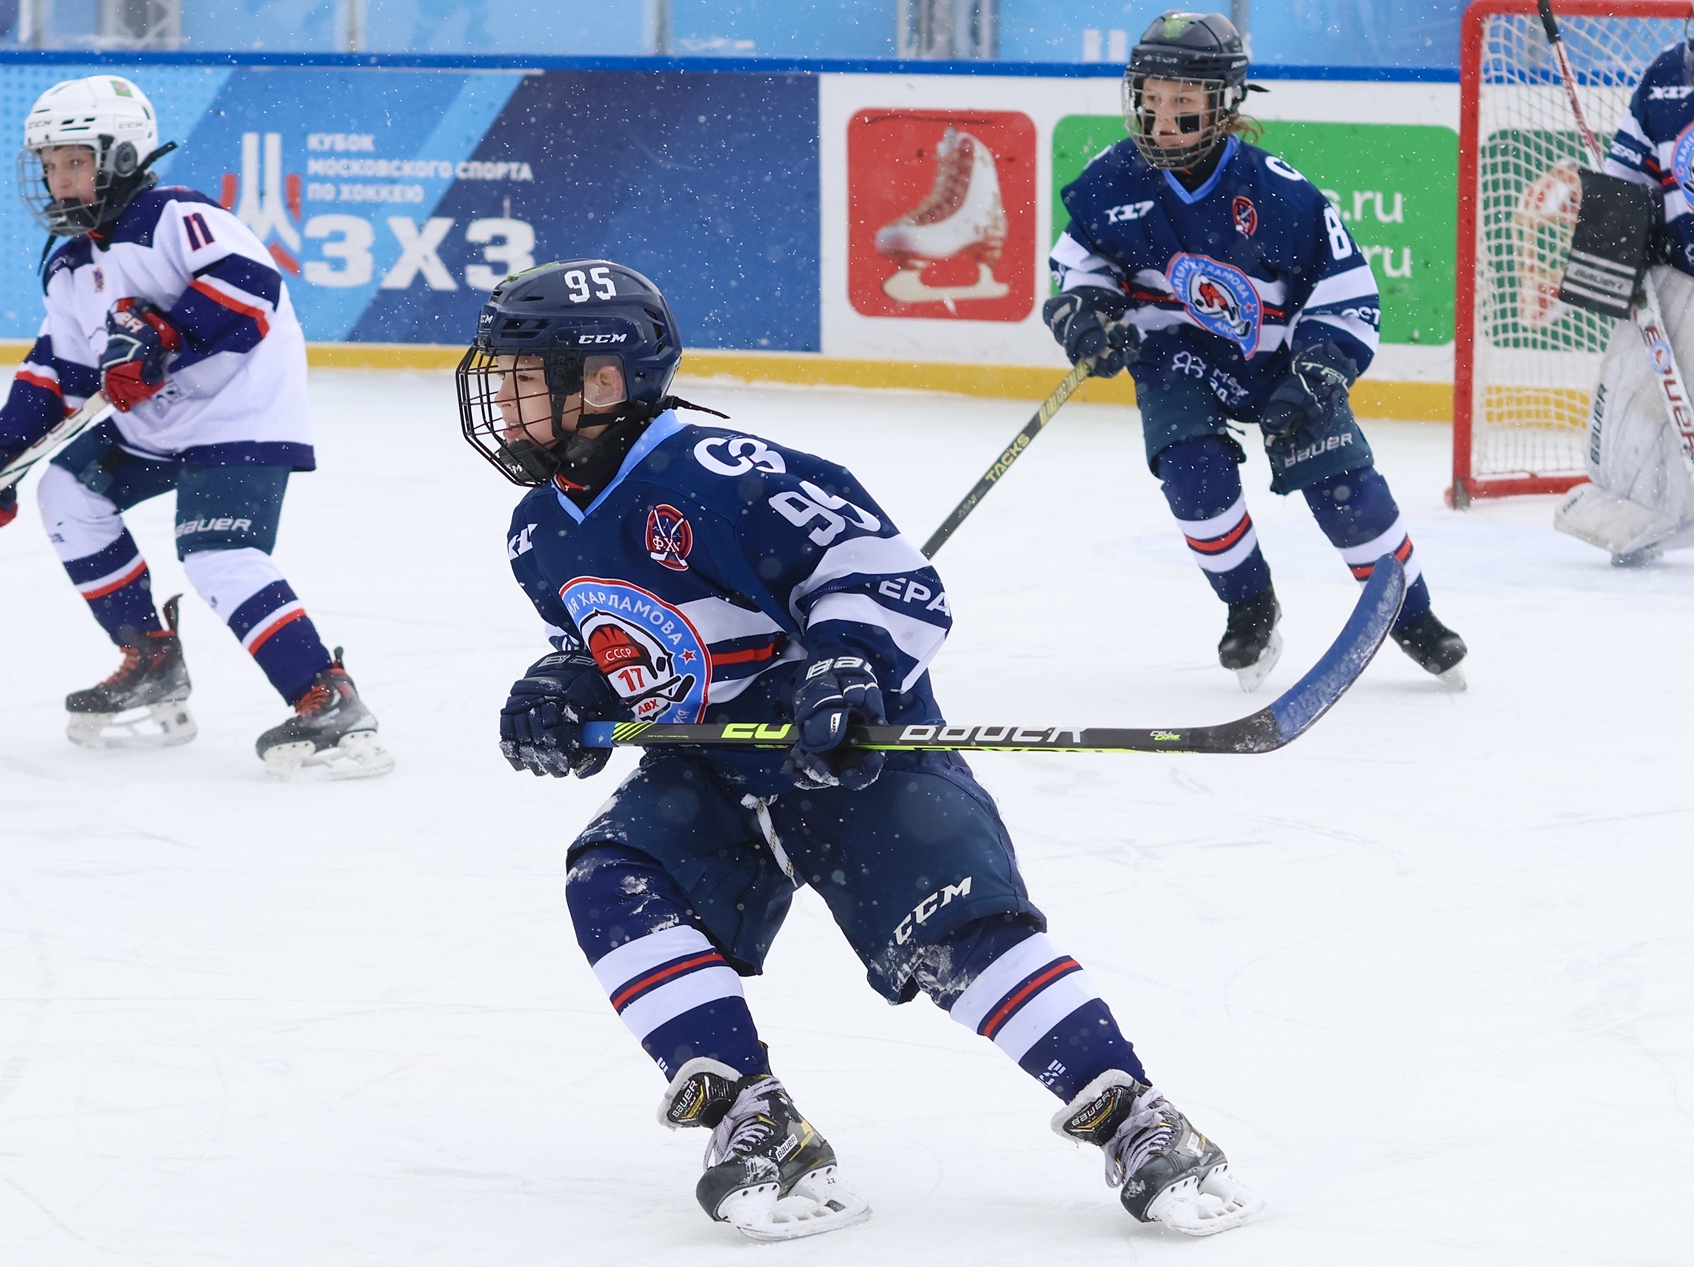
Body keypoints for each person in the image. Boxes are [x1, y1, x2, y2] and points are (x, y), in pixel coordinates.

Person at [463, 258, 1262, 1241]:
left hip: (853, 761)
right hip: (709, 767)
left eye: (521, 371)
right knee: (613, 879)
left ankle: (1139, 1116)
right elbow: (620, 648)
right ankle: (753, 1114)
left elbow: (882, 573)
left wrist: (846, 661)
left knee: (960, 937)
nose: (499, 394)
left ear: (602, 380)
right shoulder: (536, 530)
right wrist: (568, 689)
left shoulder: (716, 473)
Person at [0, 75, 390, 780]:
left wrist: (165, 337)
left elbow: (251, 288)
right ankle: (151, 658)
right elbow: (55, 372)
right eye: (51, 164)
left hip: (240, 413)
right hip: (155, 425)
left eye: (75, 161)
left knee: (216, 556)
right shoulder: (67, 263)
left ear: (120, 157)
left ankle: (324, 696)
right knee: (66, 493)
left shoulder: (173, 217)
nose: (59, 180)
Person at [1047, 10, 1467, 690]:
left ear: (1224, 105)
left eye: (1182, 104)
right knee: (1193, 477)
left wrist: (1320, 367)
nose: (1161, 121)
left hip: (1280, 363)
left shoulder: (1279, 193)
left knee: (1347, 496)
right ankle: (1249, 605)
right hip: (1177, 354)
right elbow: (1081, 263)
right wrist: (1088, 311)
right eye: (1150, 101)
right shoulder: (1114, 177)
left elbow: (1348, 293)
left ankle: (1412, 617)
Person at [1550, 32, 1694, 561]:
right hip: (1680, 278)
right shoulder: (1665, 78)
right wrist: (1619, 240)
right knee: (1630, 428)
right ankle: (1644, 509)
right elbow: (1628, 175)